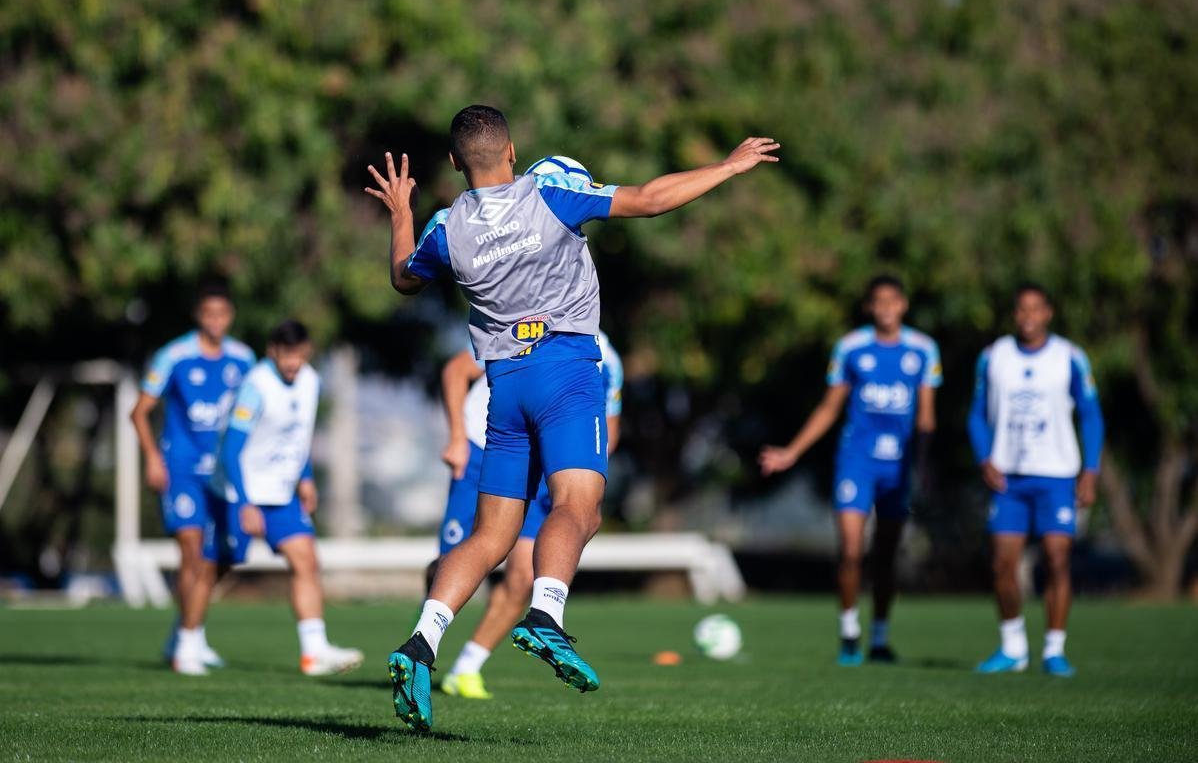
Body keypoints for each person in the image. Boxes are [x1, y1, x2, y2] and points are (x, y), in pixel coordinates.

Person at [366, 104, 777, 731]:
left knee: (490, 537)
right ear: (512, 152)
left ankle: (422, 641)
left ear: (454, 163)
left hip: (504, 388)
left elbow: (402, 279)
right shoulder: (550, 192)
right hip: (566, 373)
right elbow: (649, 198)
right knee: (577, 507)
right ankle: (546, 616)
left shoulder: (447, 229)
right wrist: (728, 166)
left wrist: (401, 214)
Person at [759, 275, 940, 666]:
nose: (887, 307)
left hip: (899, 466)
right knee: (852, 551)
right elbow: (829, 407)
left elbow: (926, 416)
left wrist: (923, 465)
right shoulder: (851, 348)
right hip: (856, 462)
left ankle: (879, 637)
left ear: (904, 304)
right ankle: (848, 633)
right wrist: (792, 451)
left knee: (888, 555)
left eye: (894, 300)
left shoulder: (923, 350)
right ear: (869, 307)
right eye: (879, 301)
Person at [437, 330, 623, 699]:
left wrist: (580, 479)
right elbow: (456, 371)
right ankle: (421, 647)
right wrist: (457, 438)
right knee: (447, 566)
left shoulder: (609, 360)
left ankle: (465, 669)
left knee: (523, 577)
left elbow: (609, 428)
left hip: (549, 467)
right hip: (484, 451)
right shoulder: (526, 326)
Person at [181, 320, 363, 677]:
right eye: (286, 354)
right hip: (238, 490)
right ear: (272, 352)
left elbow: (299, 437)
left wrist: (306, 478)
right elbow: (230, 451)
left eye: (299, 354)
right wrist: (244, 502)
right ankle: (187, 643)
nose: (293, 362)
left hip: (280, 493)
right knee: (213, 568)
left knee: (306, 561)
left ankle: (314, 652)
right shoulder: (256, 386)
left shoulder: (311, 382)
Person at [968, 283, 1104, 677]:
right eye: (1021, 309)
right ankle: (1013, 647)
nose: (1029, 316)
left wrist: (1090, 470)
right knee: (1002, 565)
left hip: (1057, 474)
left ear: (1048, 313)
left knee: (1058, 560)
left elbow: (1092, 416)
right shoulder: (994, 357)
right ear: (1014, 314)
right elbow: (976, 414)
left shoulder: (1069, 357)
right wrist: (983, 457)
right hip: (1008, 478)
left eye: (1036, 309)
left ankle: (1054, 650)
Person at [129, 281, 255, 673]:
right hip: (181, 469)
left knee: (226, 556)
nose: (216, 321)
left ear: (230, 317)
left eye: (222, 314)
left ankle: (187, 632)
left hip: (224, 475)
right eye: (208, 314)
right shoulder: (174, 355)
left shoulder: (243, 358)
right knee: (192, 551)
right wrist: (152, 459)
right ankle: (187, 645)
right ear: (198, 317)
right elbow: (139, 411)